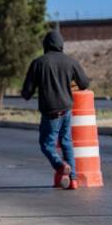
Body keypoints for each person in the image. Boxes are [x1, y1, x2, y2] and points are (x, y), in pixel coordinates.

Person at [21, 30, 91, 190]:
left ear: (45, 45)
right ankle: (73, 180)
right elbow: (84, 84)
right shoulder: (70, 62)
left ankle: (60, 166)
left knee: (46, 144)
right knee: (66, 142)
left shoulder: (38, 63)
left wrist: (27, 92)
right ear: (61, 45)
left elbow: (27, 92)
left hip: (50, 112)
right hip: (66, 109)